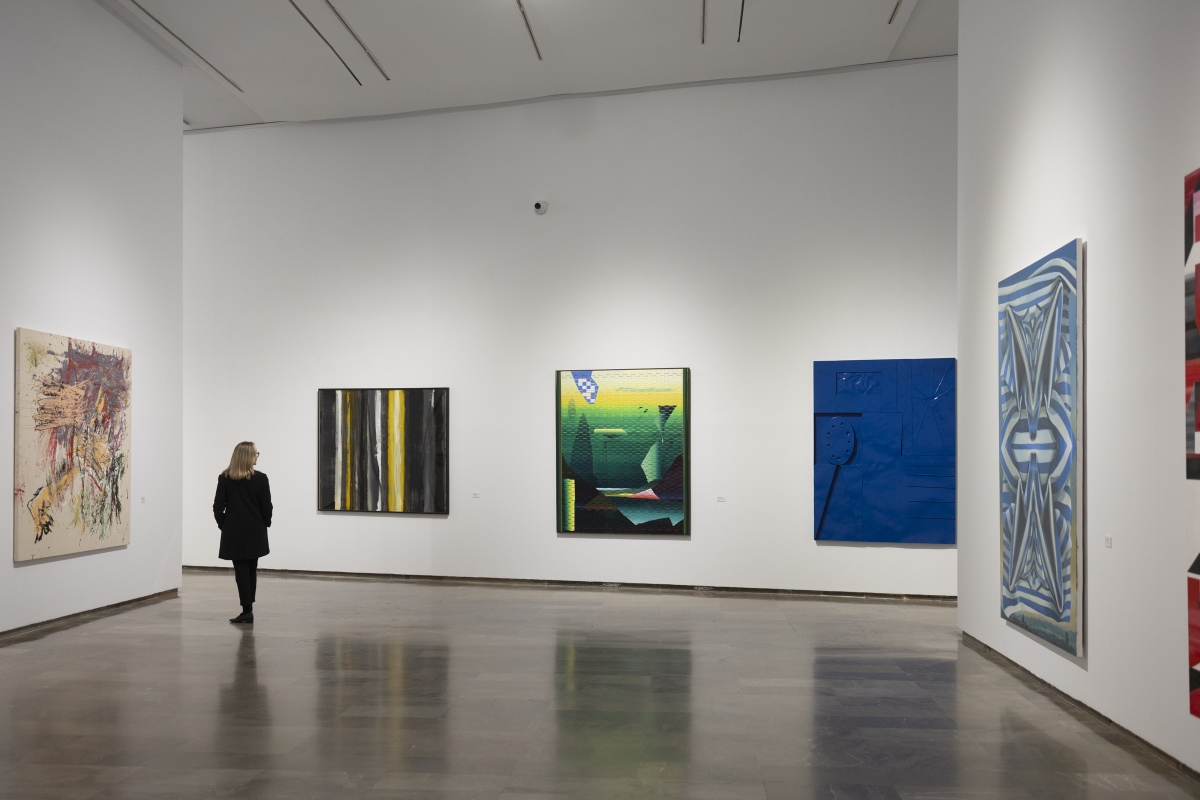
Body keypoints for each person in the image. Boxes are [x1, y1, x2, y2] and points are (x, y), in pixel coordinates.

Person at [213, 442, 272, 624]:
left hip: (234, 532)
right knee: (251, 569)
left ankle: (247, 610)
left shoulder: (225, 478)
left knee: (241, 571)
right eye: (256, 453)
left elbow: (217, 508)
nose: (257, 456)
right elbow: (267, 507)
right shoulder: (261, 479)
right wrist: (264, 524)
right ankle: (248, 609)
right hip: (255, 531)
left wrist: (225, 525)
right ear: (248, 456)